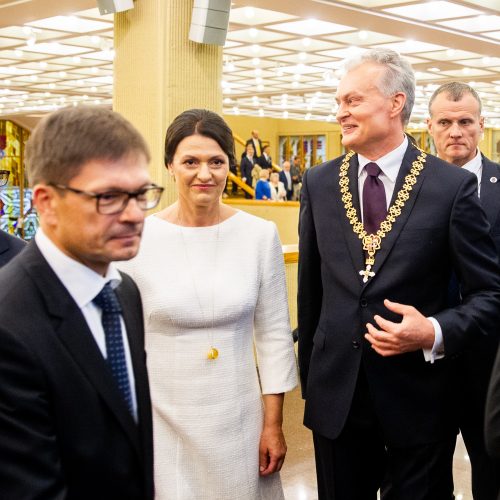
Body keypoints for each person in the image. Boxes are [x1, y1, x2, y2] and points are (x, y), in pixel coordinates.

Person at [298, 48, 500, 500]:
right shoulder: (319, 183)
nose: (341, 112)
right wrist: (312, 382)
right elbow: (311, 295)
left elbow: (489, 295)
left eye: (352, 100)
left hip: (420, 401)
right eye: (338, 102)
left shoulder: (450, 188)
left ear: (395, 104)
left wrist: (432, 330)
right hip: (338, 399)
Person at [118, 108, 298, 500]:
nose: (205, 174)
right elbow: (118, 341)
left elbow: (272, 337)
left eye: (216, 162)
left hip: (238, 417)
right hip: (161, 416)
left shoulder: (257, 235)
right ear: (169, 166)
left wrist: (273, 424)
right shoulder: (135, 239)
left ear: (229, 167)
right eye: (191, 162)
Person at [0, 106, 162, 499]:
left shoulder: (123, 291)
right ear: (46, 202)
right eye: (108, 197)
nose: (133, 214)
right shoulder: (9, 323)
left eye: (141, 194)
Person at [427, 81, 500, 500]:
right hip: (425, 357)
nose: (456, 131)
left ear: (482, 125)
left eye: (466, 121)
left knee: (491, 469)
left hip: (488, 358)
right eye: (446, 122)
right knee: (422, 472)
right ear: (430, 127)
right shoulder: (408, 188)